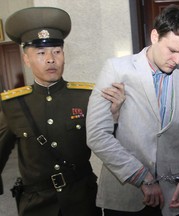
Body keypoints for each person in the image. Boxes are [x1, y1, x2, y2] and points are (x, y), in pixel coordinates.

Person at [86, 5, 179, 216]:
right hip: (126, 196)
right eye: (172, 50)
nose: (177, 61)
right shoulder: (117, 69)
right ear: (154, 36)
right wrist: (142, 177)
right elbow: (97, 135)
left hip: (174, 198)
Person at [0, 7, 125, 216]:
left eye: (57, 51)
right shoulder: (12, 105)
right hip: (36, 205)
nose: (51, 59)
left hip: (82, 200)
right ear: (26, 60)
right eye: (41, 53)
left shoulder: (86, 97)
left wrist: (115, 116)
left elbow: (110, 145)